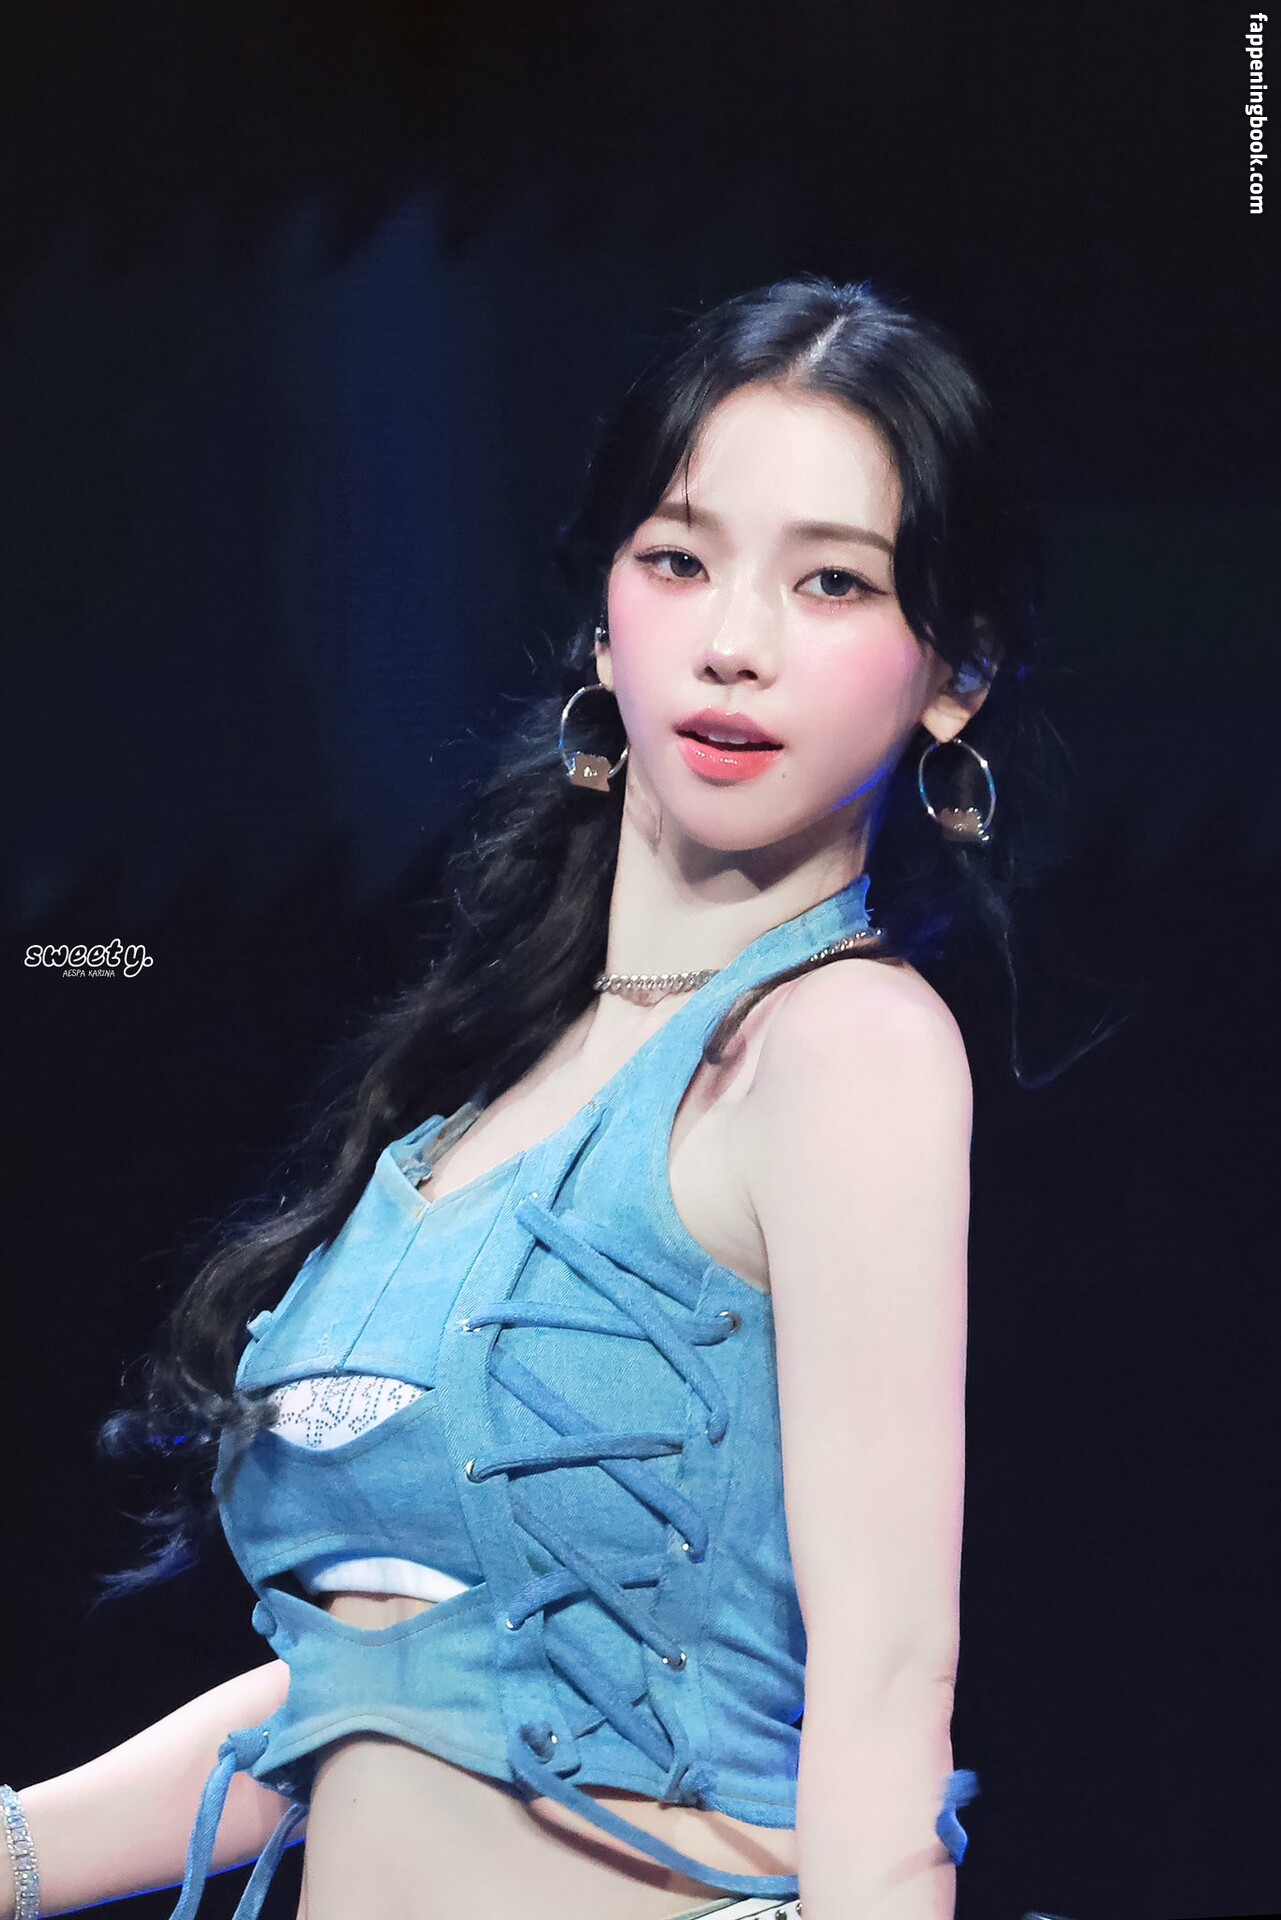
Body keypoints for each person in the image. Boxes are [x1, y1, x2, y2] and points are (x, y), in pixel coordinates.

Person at [1, 274, 1055, 1920]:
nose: (733, 641)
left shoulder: (840, 1045)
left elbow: (884, 1681)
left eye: (833, 581)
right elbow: (379, 1686)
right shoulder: (480, 1102)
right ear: (604, 619)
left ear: (954, 673)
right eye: (680, 560)